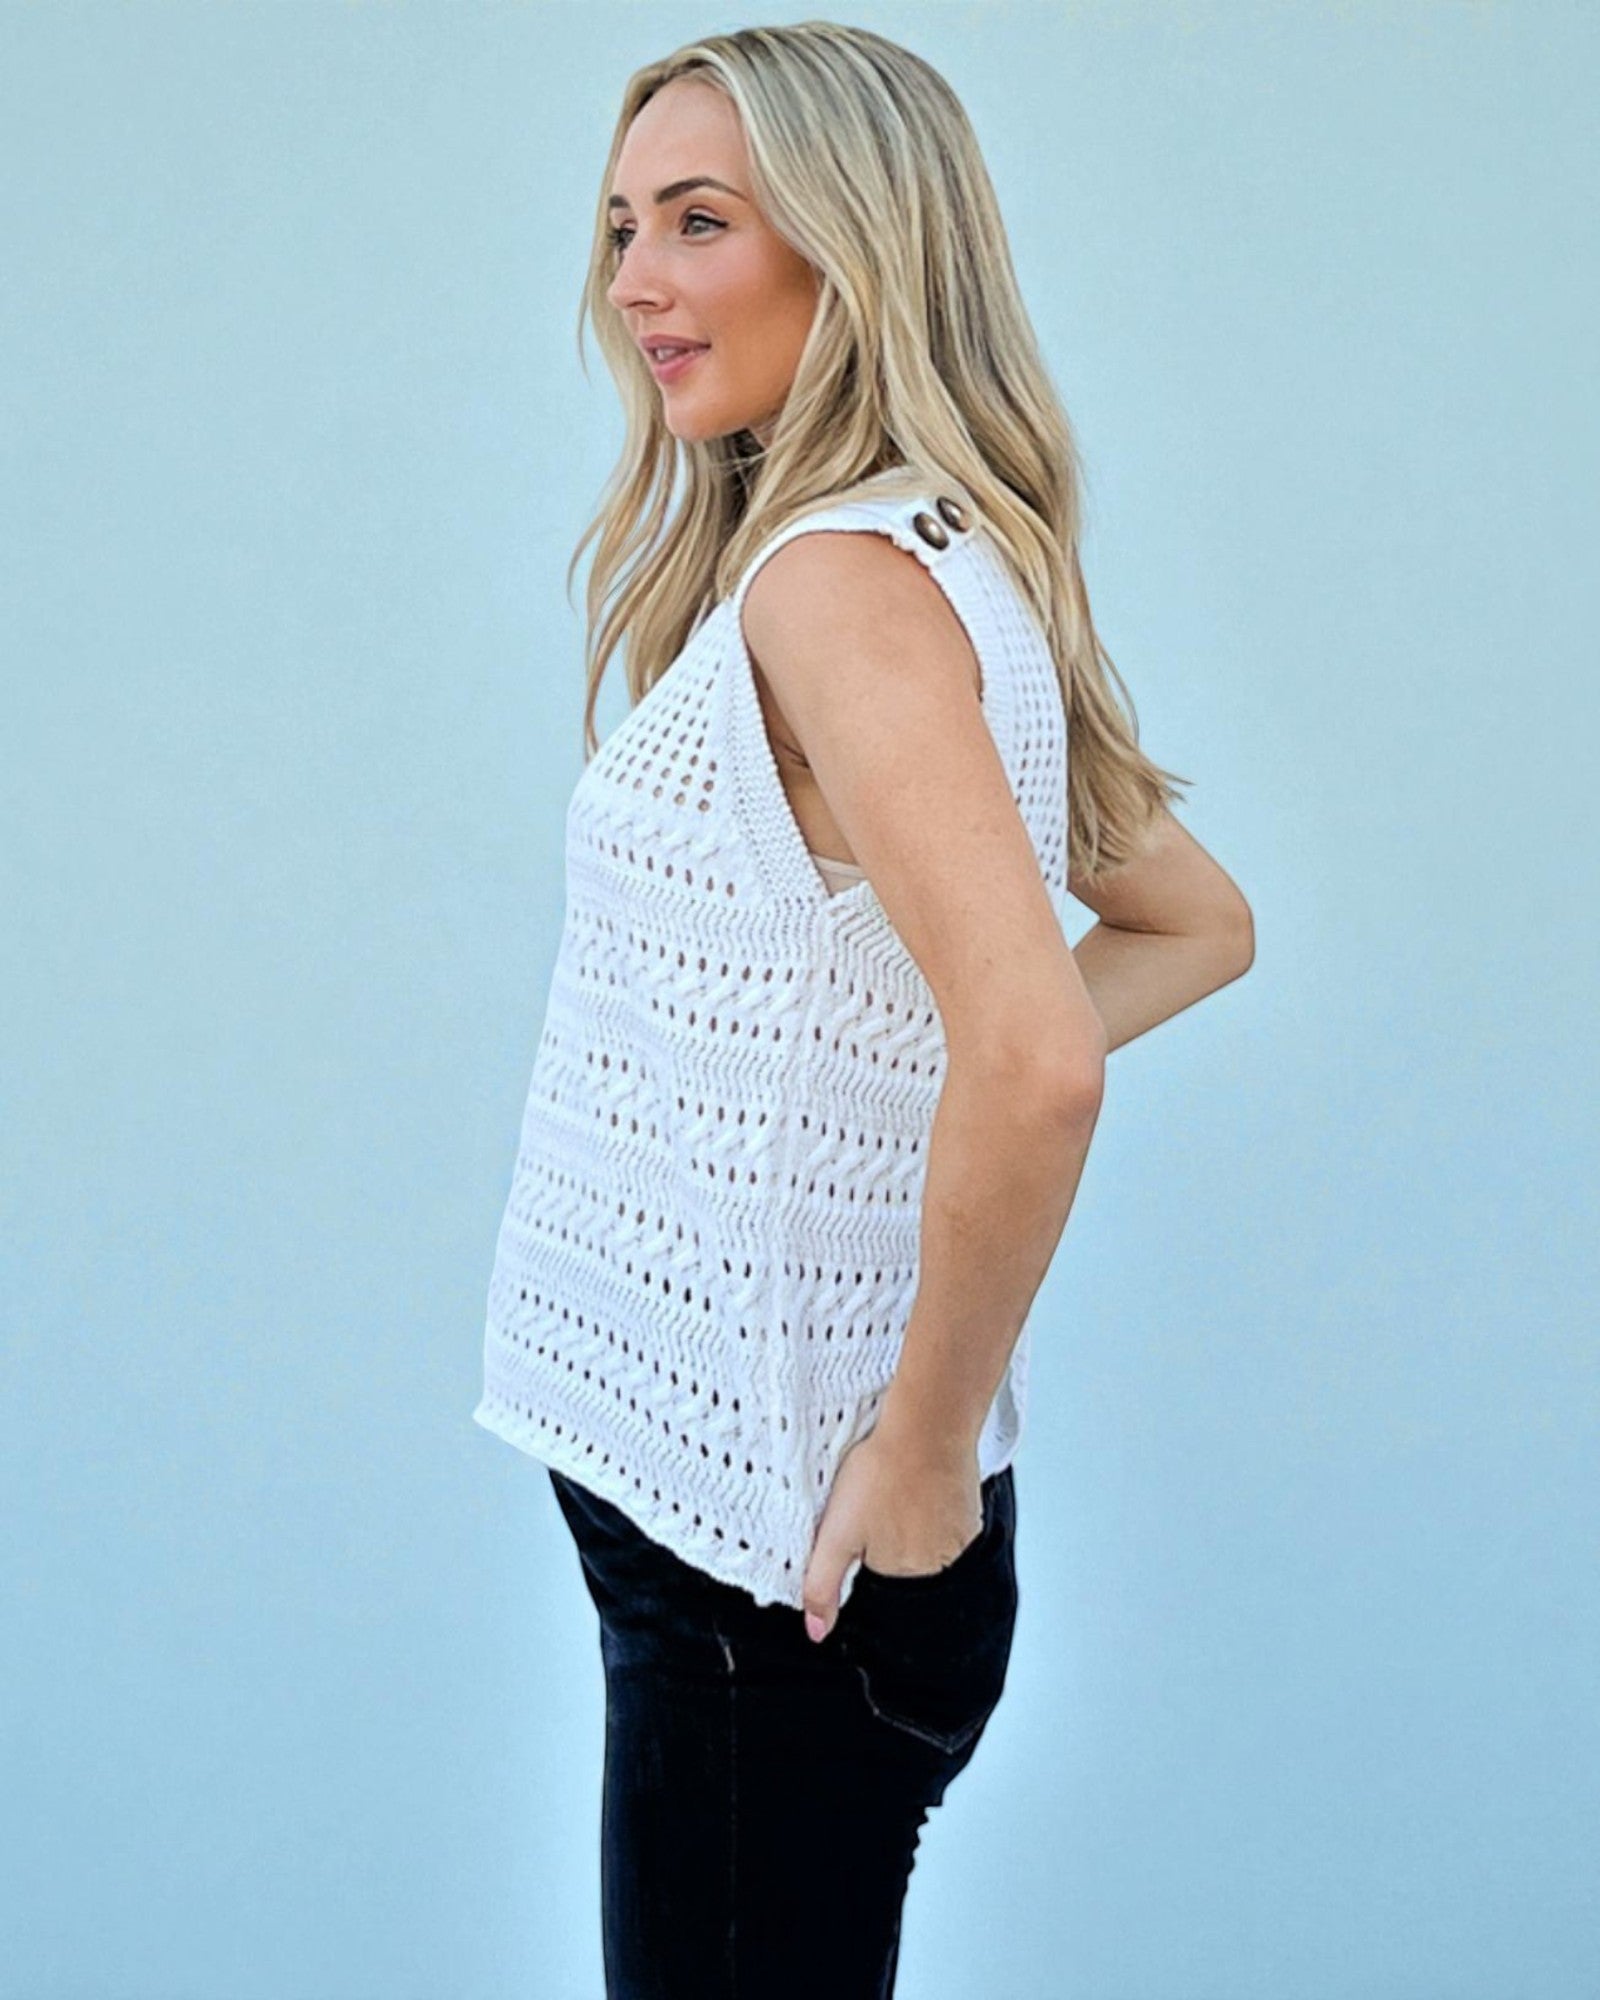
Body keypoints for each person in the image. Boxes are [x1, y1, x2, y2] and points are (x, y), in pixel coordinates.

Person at [473, 22, 1255, 1999]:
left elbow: (1037, 1049)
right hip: (752, 1558)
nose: (636, 278)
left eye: (701, 221)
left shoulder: (837, 592)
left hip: (777, 1575)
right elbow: (1189, 922)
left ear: (856, 247)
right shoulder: (938, 556)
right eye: (624, 225)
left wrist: (907, 1454)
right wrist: (882, 1101)